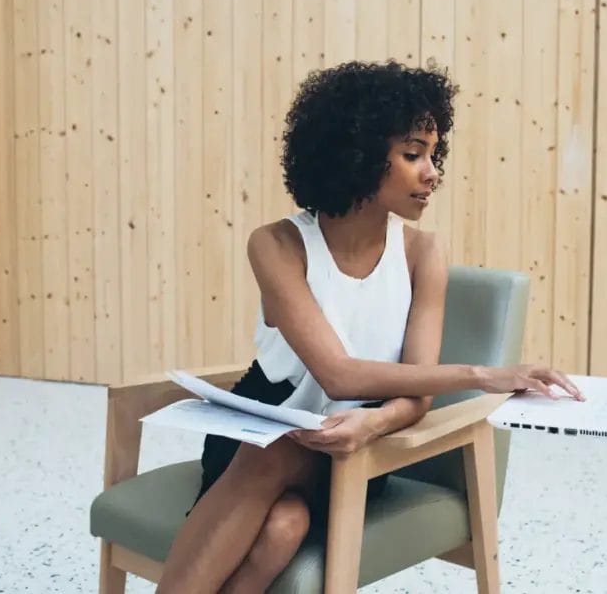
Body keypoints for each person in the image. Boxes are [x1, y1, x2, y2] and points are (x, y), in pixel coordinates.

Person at [156, 60, 583, 594]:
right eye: (412, 155)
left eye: (433, 154)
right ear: (356, 156)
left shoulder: (424, 253)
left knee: (288, 475)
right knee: (283, 524)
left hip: (357, 450)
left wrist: (373, 426)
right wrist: (484, 373)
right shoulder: (277, 244)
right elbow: (338, 375)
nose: (433, 172)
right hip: (258, 438)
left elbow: (416, 397)